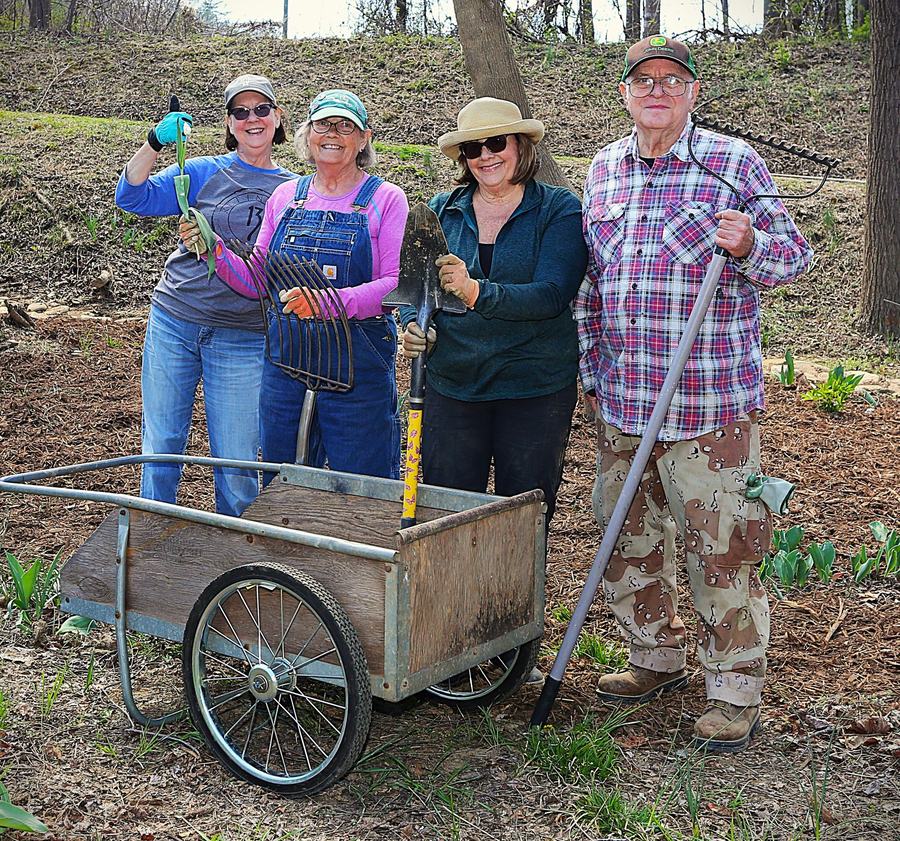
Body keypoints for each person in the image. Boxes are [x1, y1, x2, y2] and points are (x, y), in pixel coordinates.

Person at [576, 36, 813, 752]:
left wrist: (748, 247)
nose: (657, 90)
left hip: (708, 408)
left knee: (725, 549)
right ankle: (654, 657)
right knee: (628, 539)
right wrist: (590, 372)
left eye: (672, 80)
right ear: (625, 92)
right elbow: (590, 282)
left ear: (692, 93)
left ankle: (733, 689)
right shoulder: (604, 170)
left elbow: (794, 256)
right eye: (643, 80)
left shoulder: (734, 164)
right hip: (622, 400)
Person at [181, 89, 408, 480]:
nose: (332, 133)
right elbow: (257, 278)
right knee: (282, 481)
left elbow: (393, 286)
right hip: (287, 359)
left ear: (364, 138)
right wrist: (212, 251)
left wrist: (328, 303)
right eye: (323, 124)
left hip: (359, 363)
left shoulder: (386, 199)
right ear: (307, 133)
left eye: (345, 125)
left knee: (364, 488)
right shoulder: (287, 196)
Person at [400, 97, 588, 529]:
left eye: (497, 142)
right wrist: (413, 326)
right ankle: (457, 600)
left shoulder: (558, 209)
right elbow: (414, 292)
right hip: (453, 387)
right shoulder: (443, 209)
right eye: (473, 148)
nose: (486, 155)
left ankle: (516, 600)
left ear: (521, 145)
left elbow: (552, 294)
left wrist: (474, 292)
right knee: (448, 519)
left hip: (533, 390)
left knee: (520, 522)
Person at [116, 74, 294, 517]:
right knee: (162, 448)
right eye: (240, 112)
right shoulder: (201, 171)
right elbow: (131, 196)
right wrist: (155, 140)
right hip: (175, 321)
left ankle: (236, 569)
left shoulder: (295, 190)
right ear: (230, 124)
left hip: (244, 336)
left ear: (277, 118)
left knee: (235, 462)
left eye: (261, 110)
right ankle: (152, 548)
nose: (251, 119)